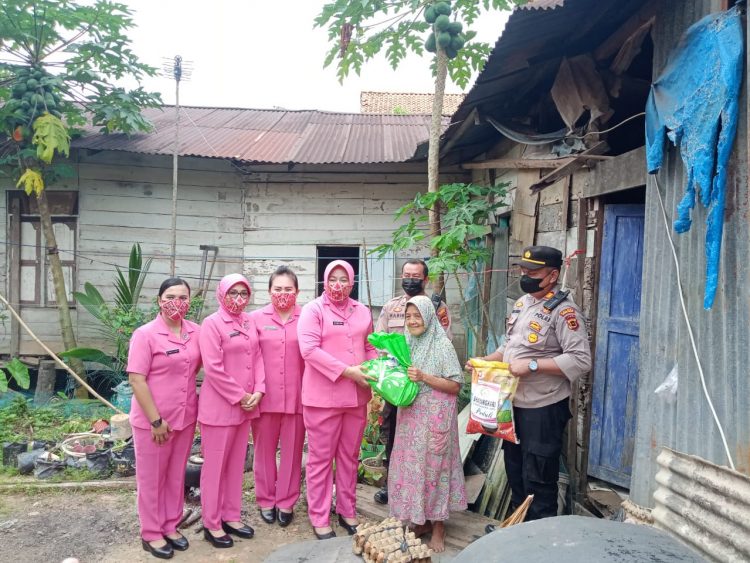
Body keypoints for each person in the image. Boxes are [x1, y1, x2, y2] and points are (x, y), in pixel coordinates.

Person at [478, 246, 591, 530]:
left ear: (553, 275)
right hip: (513, 406)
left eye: (533, 272)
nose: (525, 276)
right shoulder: (523, 303)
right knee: (515, 471)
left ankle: (541, 538)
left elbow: (581, 360)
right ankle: (515, 532)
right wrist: (486, 361)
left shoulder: (564, 312)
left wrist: (532, 366)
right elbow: (510, 347)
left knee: (539, 478)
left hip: (543, 409)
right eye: (524, 270)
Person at [297, 259, 377, 540]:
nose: (338, 285)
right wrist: (347, 371)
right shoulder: (313, 310)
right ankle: (319, 515)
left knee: (349, 456)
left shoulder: (362, 310)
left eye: (344, 279)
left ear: (352, 282)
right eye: (334, 279)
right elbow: (308, 349)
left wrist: (376, 367)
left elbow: (369, 345)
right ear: (324, 280)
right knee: (320, 459)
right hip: (322, 399)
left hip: (356, 398)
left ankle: (347, 509)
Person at [127, 277, 201, 559]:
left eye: (183, 297)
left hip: (184, 416)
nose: (177, 303)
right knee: (151, 478)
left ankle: (170, 524)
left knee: (174, 475)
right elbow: (137, 380)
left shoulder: (195, 331)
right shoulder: (145, 335)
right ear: (159, 300)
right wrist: (156, 421)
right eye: (170, 296)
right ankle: (151, 532)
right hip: (154, 421)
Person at [388, 295, 467, 553]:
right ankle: (419, 521)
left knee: (436, 470)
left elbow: (455, 385)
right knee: (412, 470)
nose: (412, 321)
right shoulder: (407, 343)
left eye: (417, 316)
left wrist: (423, 377)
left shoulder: (442, 345)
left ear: (428, 317)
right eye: (408, 317)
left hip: (435, 419)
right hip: (411, 418)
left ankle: (439, 526)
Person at [373, 258, 452, 505]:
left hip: (425, 385)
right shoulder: (391, 307)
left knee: (424, 441)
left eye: (416, 276)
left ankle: (421, 489)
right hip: (396, 385)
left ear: (425, 279)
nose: (410, 279)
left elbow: (444, 343)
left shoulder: (437, 308)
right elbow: (380, 340)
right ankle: (391, 483)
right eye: (406, 274)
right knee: (392, 432)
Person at [198, 274, 265, 548]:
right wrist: (240, 396)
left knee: (236, 465)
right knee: (214, 468)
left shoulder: (249, 321)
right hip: (220, 408)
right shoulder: (211, 324)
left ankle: (231, 515)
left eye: (243, 293)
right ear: (221, 294)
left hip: (245, 406)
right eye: (232, 293)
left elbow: (258, 356)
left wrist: (259, 390)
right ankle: (211, 523)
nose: (237, 299)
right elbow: (213, 368)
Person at [250, 266, 305, 528]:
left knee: (293, 452)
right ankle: (265, 499)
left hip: (298, 396)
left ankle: (286, 500)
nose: (283, 293)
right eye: (278, 289)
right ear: (269, 291)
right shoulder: (255, 318)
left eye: (288, 289)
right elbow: (249, 357)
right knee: (264, 451)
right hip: (265, 395)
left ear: (297, 291)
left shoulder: (307, 317)